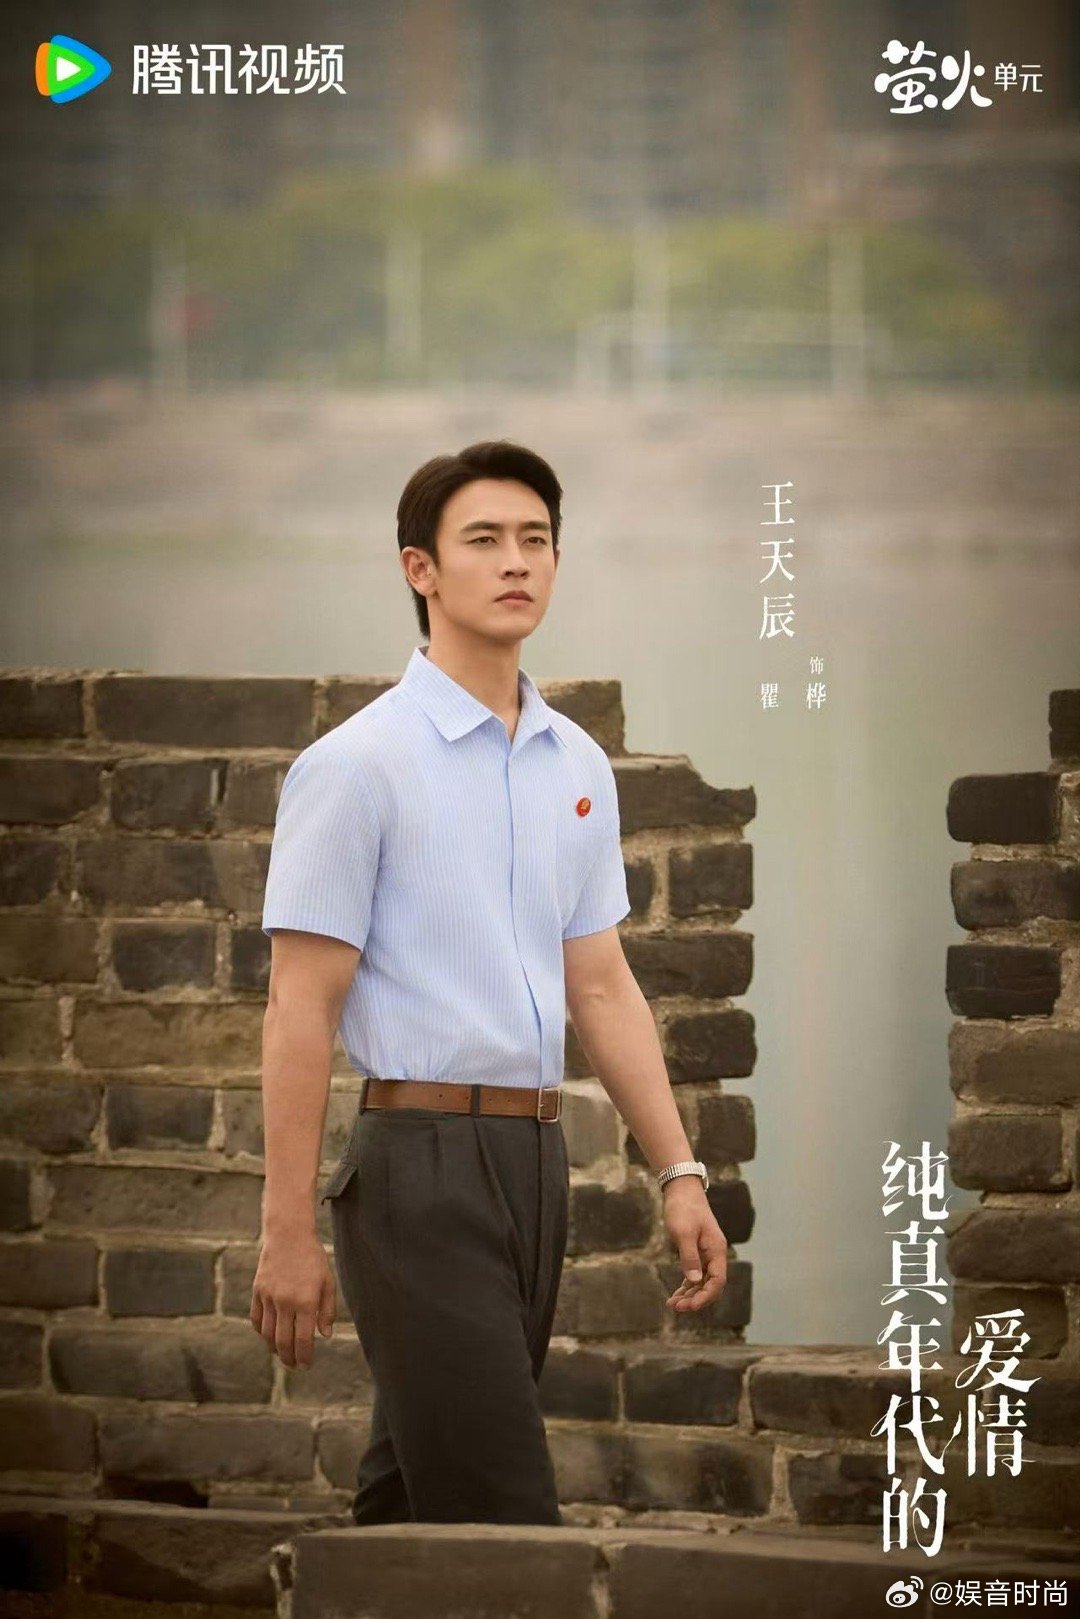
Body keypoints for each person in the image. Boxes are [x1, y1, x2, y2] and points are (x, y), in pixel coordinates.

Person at [251, 439, 728, 1526]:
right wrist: (286, 1230)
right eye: (484, 539)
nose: (517, 560)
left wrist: (680, 1172)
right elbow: (299, 1008)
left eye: (536, 539)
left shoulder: (577, 764)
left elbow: (600, 986)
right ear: (420, 569)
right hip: (417, 1168)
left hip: (534, 1161)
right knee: (506, 1516)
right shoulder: (356, 765)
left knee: (417, 1497)